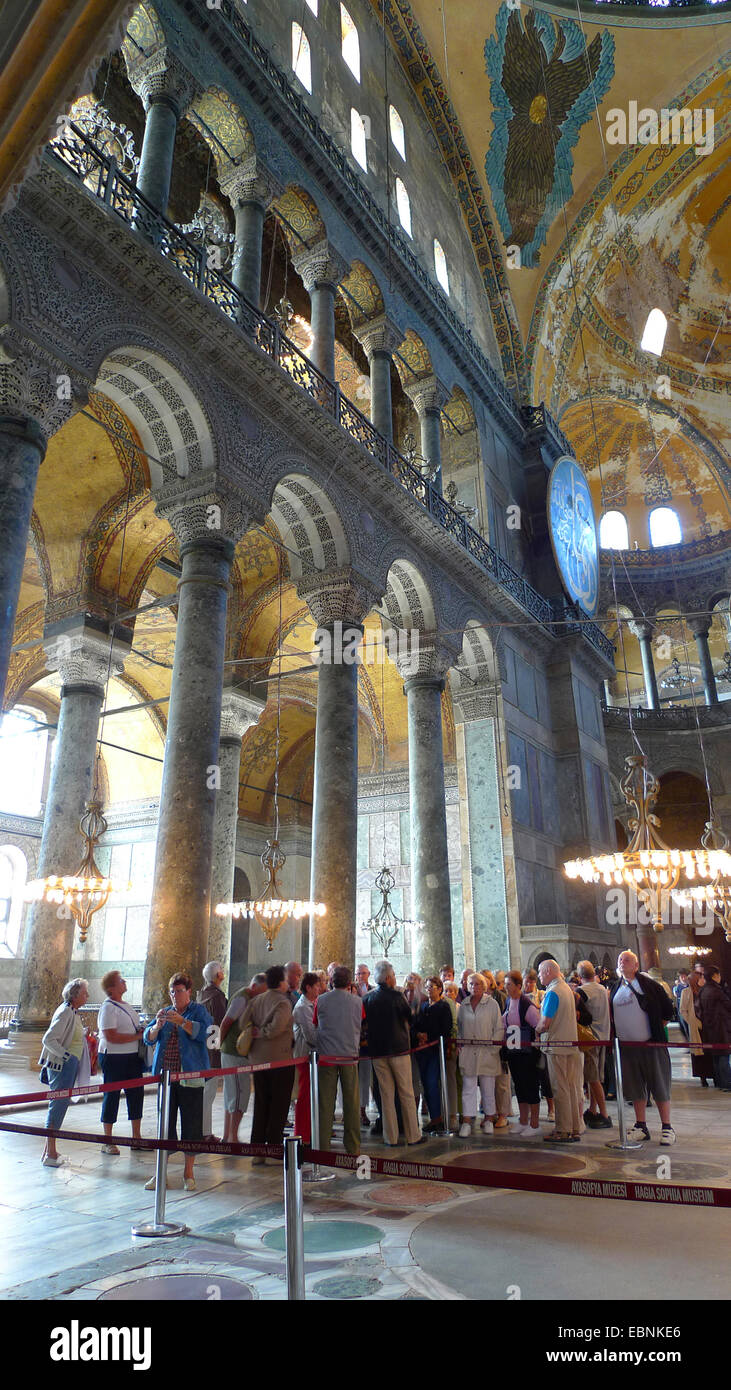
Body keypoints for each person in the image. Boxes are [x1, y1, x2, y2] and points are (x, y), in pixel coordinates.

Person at [143, 973, 212, 1191]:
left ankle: (188, 1173)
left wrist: (183, 1022)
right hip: (166, 1076)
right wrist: (156, 1027)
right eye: (172, 991)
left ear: (189, 992)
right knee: (165, 1123)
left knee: (191, 1123)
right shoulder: (165, 1011)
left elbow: (206, 1034)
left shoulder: (199, 1011)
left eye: (179, 991)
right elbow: (147, 1036)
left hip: (190, 1075)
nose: (175, 996)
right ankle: (160, 1173)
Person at [608, 950, 676, 1145]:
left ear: (636, 965)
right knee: (635, 1088)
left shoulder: (649, 985)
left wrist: (656, 1028)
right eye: (620, 959)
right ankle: (641, 1126)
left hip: (650, 1044)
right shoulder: (614, 987)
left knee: (659, 1085)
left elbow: (667, 1009)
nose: (622, 962)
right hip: (627, 1048)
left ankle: (667, 1127)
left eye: (627, 959)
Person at [363, 960, 426, 1147]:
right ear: (389, 978)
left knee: (386, 1095)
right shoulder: (397, 996)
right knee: (406, 1092)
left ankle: (390, 1137)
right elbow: (410, 1017)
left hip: (377, 1053)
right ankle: (413, 1135)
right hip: (399, 1050)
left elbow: (364, 1024)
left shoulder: (367, 998)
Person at [240, 964, 294, 1164]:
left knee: (261, 1104)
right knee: (279, 1105)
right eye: (286, 979)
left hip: (258, 1060)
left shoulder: (256, 1000)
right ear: (280, 982)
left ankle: (257, 1151)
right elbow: (276, 1028)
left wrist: (254, 1031)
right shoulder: (283, 1002)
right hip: (279, 1060)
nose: (288, 982)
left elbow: (242, 1022)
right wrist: (263, 1032)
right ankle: (272, 1150)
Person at [39, 977, 91, 1166]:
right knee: (57, 1106)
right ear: (75, 995)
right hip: (62, 1065)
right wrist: (66, 1056)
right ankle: (50, 1154)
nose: (88, 996)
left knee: (60, 1106)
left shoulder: (73, 1012)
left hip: (69, 1064)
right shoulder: (66, 1012)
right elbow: (49, 1039)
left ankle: (49, 1151)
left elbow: (71, 1036)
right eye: (85, 993)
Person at [314, 965, 363, 1155]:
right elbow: (360, 1022)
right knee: (351, 1103)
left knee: (326, 1104)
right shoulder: (358, 1002)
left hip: (327, 1056)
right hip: (349, 1056)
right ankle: (353, 1147)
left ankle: (323, 1147)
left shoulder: (321, 1000)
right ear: (350, 982)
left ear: (331, 981)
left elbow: (315, 1024)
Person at [535, 959, 584, 1143]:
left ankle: (563, 1129)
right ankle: (574, 1127)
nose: (539, 976)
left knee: (560, 1088)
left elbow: (545, 1022)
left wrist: (537, 1030)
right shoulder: (566, 989)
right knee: (571, 1088)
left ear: (548, 971)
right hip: (570, 1045)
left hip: (556, 1046)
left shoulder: (553, 992)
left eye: (540, 972)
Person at [97, 970, 145, 1155]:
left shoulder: (126, 1005)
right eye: (120, 980)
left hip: (132, 1056)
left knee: (136, 1094)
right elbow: (110, 1036)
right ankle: (107, 1140)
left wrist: (141, 1032)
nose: (124, 982)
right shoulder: (108, 1007)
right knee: (112, 1095)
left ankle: (136, 1137)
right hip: (114, 1057)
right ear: (112, 987)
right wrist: (136, 1036)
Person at [219, 972, 267, 1142]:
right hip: (234, 1053)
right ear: (254, 986)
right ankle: (233, 1137)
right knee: (239, 1094)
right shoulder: (242, 998)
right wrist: (221, 1044)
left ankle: (228, 1136)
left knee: (231, 1094)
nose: (262, 995)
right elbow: (226, 1022)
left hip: (233, 1052)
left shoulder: (249, 998)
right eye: (261, 991)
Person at [457, 972, 504, 1136]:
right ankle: (467, 1122)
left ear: (484, 986)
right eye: (471, 984)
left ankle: (489, 1119)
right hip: (469, 1052)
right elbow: (460, 1028)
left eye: (477, 984)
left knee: (488, 1088)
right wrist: (460, 1045)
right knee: (468, 1088)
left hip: (487, 1052)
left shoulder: (492, 1004)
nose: (474, 987)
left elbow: (498, 1028)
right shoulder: (463, 1004)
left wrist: (493, 1049)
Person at [503, 970, 542, 1136]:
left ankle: (534, 1123)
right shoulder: (508, 1001)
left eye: (509, 984)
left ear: (518, 986)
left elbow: (538, 1024)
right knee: (519, 1084)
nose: (505, 987)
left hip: (527, 1052)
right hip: (514, 1050)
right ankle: (523, 1120)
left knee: (530, 1085)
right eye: (505, 984)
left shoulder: (526, 1004)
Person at [575, 960, 612, 1130]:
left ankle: (603, 1113)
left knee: (593, 1078)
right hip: (604, 1035)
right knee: (596, 1076)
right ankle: (593, 1109)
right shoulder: (602, 988)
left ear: (579, 975)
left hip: (591, 1038)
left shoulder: (583, 991)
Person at [414, 976, 453, 1131]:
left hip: (436, 1050)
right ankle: (433, 1116)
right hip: (422, 1051)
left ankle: (438, 1117)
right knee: (425, 1084)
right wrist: (418, 1035)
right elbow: (415, 1024)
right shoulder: (423, 1006)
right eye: (427, 986)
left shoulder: (443, 1007)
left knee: (432, 1083)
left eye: (432, 986)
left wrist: (428, 1037)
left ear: (439, 988)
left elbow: (445, 1029)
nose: (429, 989)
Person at [197, 960, 228, 1141]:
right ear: (219, 976)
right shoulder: (216, 997)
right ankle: (204, 1133)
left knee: (206, 1093)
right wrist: (218, 1048)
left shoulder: (202, 995)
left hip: (205, 1047)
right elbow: (220, 1023)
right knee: (207, 1094)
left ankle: (203, 1131)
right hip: (211, 1049)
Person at [292, 971, 321, 1142]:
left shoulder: (312, 1003)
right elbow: (311, 1035)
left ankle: (311, 1131)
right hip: (305, 1055)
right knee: (304, 1097)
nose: (319, 988)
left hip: (313, 1057)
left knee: (312, 1096)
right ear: (308, 987)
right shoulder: (302, 1008)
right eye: (316, 986)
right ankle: (303, 1133)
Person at [698, 963, 731, 1091]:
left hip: (709, 1028)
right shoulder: (717, 991)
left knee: (716, 1056)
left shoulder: (703, 990)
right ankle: (727, 1083)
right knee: (723, 1055)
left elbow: (699, 1010)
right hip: (721, 1028)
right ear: (715, 976)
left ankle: (719, 1082)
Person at [680, 970, 713, 1087]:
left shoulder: (705, 991)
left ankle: (712, 1075)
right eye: (700, 978)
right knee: (699, 1053)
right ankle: (702, 1077)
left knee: (710, 1051)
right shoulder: (686, 992)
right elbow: (683, 1010)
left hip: (708, 1025)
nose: (702, 980)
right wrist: (691, 1021)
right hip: (695, 1026)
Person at [354, 964, 373, 1125]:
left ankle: (363, 1110)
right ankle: (355, 1111)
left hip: (367, 1042)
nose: (360, 976)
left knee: (366, 1078)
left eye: (363, 973)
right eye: (358, 973)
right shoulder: (350, 991)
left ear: (369, 974)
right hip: (351, 1043)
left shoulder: (373, 991)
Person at [442, 978, 460, 1127]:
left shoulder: (459, 1007)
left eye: (451, 991)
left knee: (452, 1080)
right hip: (441, 1046)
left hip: (453, 1047)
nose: (448, 993)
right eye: (446, 990)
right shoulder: (440, 1005)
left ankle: (453, 1114)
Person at [674, 970, 690, 1042]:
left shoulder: (691, 985)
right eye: (681, 977)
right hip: (681, 1010)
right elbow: (676, 996)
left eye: (685, 976)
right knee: (684, 1027)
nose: (683, 978)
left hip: (690, 1010)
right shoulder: (677, 987)